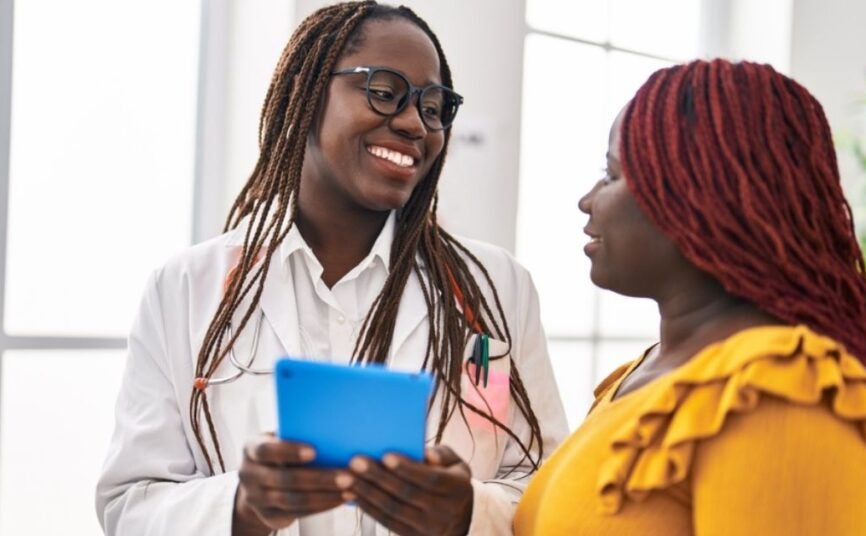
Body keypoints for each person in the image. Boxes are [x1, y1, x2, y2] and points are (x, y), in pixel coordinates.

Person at [96, 2, 568, 535]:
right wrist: (241, 507)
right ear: (306, 89)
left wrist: (468, 515)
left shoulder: (497, 287)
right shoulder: (185, 287)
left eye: (433, 107)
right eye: (385, 92)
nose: (416, 123)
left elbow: (548, 489)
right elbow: (130, 504)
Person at [513, 59, 866, 535]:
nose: (588, 199)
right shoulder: (645, 374)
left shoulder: (783, 390)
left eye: (612, 174)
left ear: (696, 197)